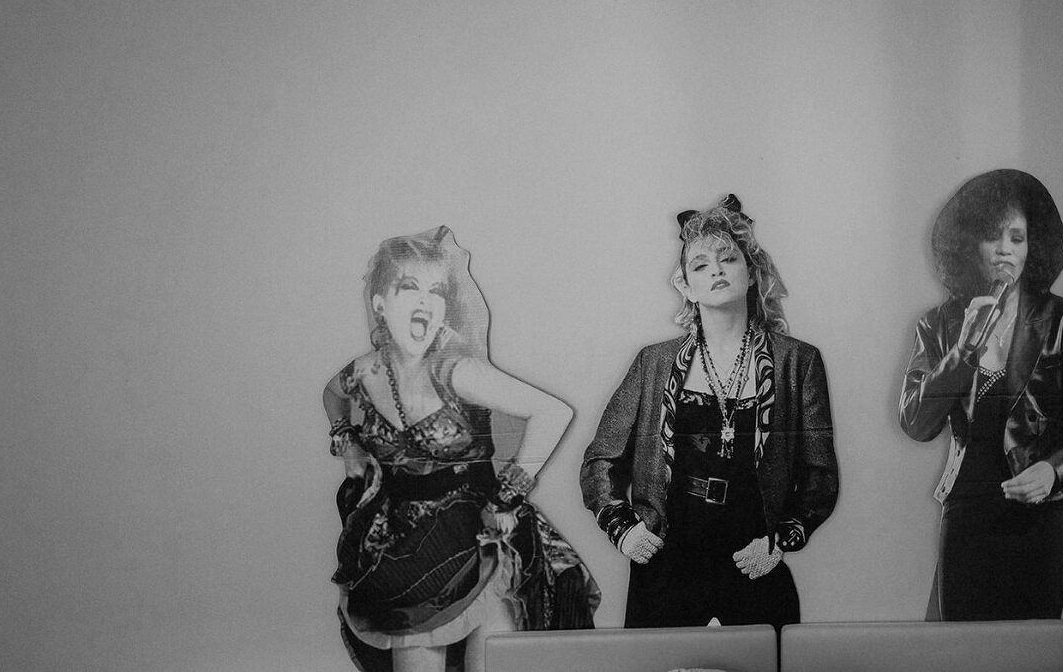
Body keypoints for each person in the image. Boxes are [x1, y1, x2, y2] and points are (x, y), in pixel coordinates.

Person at [322, 226, 598, 672]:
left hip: (478, 544)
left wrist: (506, 497)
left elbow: (553, 413)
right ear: (380, 304)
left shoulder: (457, 371)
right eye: (409, 287)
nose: (425, 302)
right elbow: (331, 394)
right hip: (405, 552)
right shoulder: (363, 373)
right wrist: (346, 439)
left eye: (436, 291)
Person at [580, 195, 839, 629]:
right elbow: (599, 461)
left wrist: (779, 541)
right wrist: (624, 529)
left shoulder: (797, 362)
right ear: (685, 286)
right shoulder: (653, 363)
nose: (716, 270)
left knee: (765, 662)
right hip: (667, 564)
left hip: (752, 559)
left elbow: (820, 474)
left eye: (728, 259)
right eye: (700, 265)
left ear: (752, 274)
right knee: (660, 664)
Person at [899, 169, 1063, 621]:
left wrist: (1054, 469)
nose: (1004, 250)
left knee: (1033, 644)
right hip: (967, 504)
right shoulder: (938, 324)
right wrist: (962, 351)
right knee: (962, 643)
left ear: (1032, 247)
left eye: (1016, 238)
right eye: (991, 237)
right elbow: (917, 423)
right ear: (967, 247)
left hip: (1039, 509)